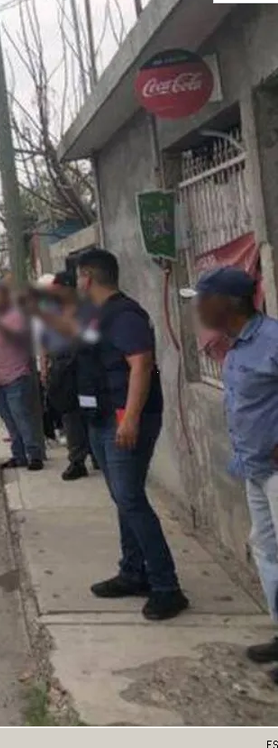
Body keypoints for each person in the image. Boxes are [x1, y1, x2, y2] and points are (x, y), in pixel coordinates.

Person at [70, 249, 187, 620]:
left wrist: (131, 419)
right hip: (102, 417)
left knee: (131, 500)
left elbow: (141, 365)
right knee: (123, 499)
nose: (76, 284)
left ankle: (167, 587)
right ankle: (133, 572)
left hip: (125, 418)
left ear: (88, 277)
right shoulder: (97, 316)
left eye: (77, 277)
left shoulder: (125, 315)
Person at [185, 267, 277, 671]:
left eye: (203, 298)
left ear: (230, 303)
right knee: (266, 549)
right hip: (253, 467)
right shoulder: (236, 347)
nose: (198, 308)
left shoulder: (272, 340)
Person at [0, 282, 45, 471]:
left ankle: (34, 455)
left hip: (15, 375)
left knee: (22, 417)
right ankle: (19, 455)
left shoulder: (16, 316)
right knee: (9, 420)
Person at [34, 273, 92, 480]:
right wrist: (44, 367)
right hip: (61, 367)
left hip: (85, 366)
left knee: (90, 409)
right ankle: (77, 460)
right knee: (69, 412)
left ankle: (95, 453)